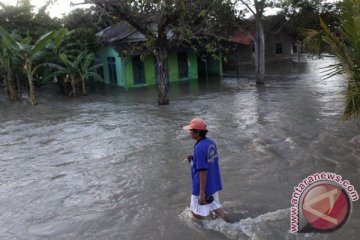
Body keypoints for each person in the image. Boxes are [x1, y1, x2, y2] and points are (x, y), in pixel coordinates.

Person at [183, 117, 229, 221]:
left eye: (191, 131)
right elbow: (209, 161)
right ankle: (231, 222)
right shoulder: (210, 143)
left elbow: (203, 171)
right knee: (216, 207)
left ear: (197, 132)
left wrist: (202, 193)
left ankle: (205, 232)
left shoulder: (199, 148)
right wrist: (194, 159)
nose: (190, 133)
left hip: (202, 186)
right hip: (213, 182)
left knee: (196, 214)